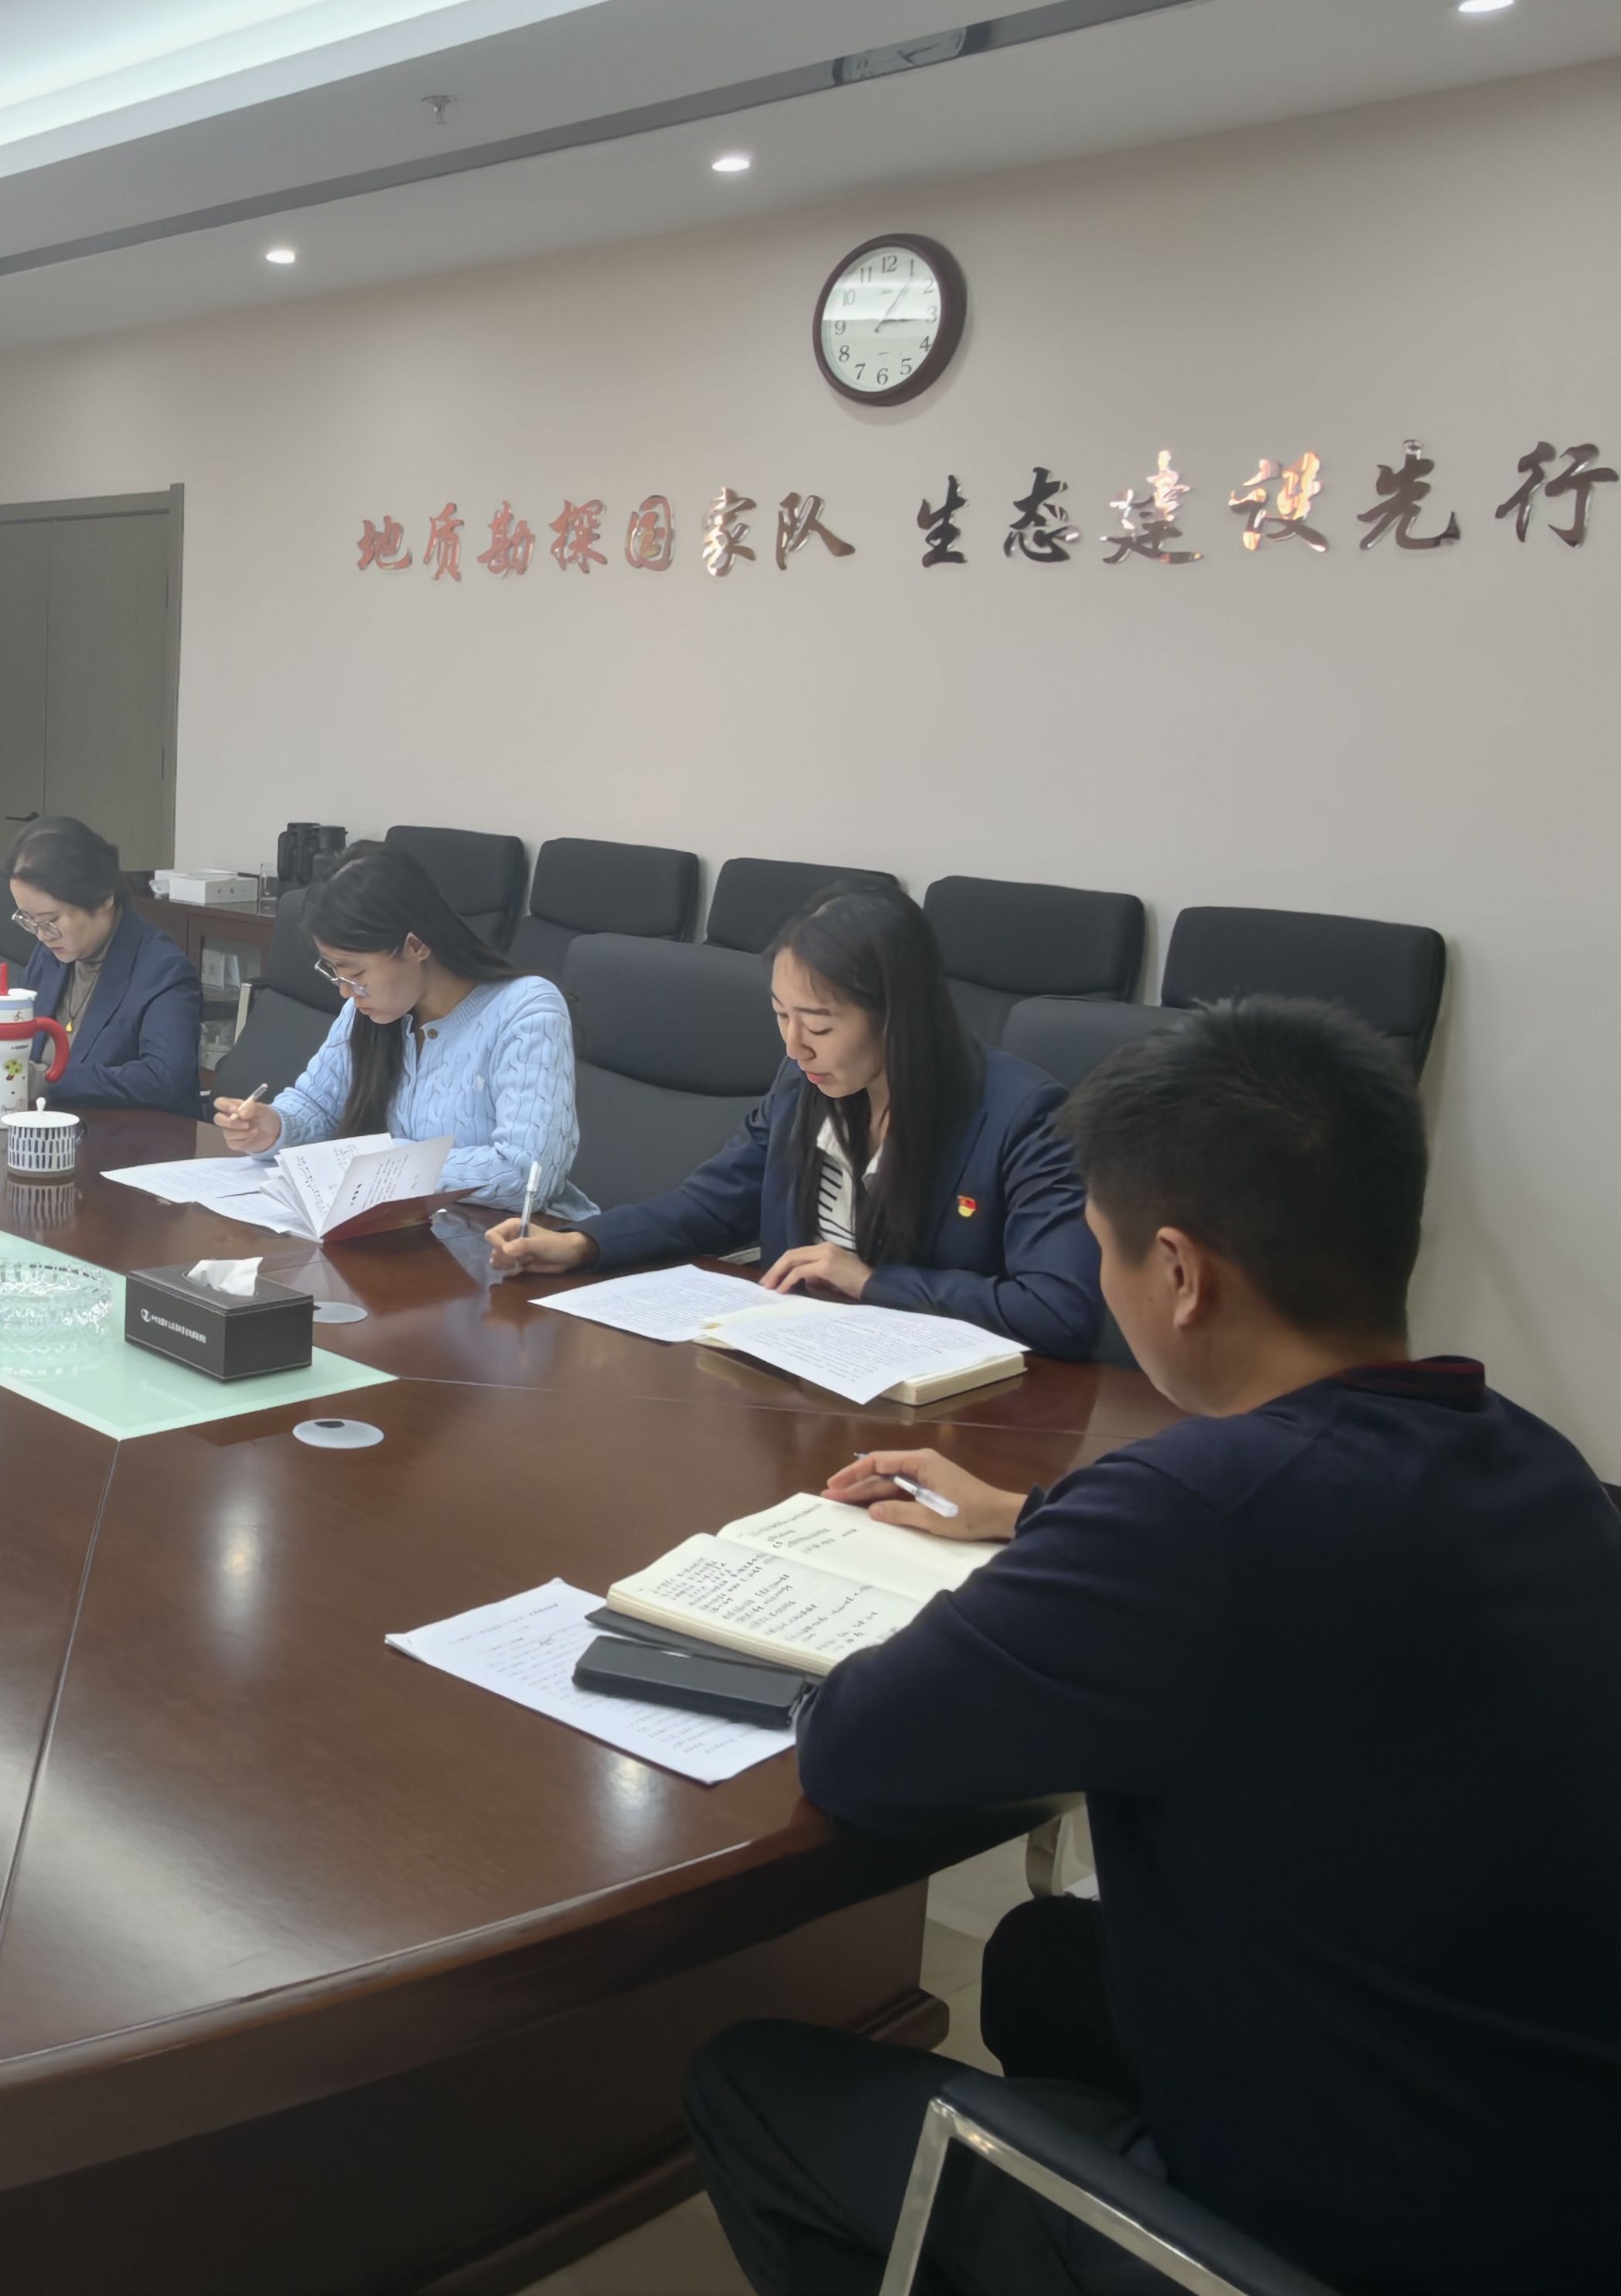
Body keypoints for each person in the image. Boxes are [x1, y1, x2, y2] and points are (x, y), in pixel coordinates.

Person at [682, 1000, 1621, 2296]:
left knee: (748, 2083)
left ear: (1180, 1274)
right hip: (1549, 2168)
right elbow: (1294, 1550)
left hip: (1344, 2240)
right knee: (1043, 1964)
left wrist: (1088, 1545)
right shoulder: (1542, 1464)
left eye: (1103, 1247)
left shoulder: (1190, 1520)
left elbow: (856, 1749)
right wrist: (1038, 1519)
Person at [486, 882, 1101, 1357]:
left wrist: (871, 1282)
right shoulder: (806, 1084)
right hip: (800, 1371)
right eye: (782, 1015)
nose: (795, 1046)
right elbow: (710, 1206)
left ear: (899, 1016)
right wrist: (583, 1243)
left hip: (942, 1408)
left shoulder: (1023, 1117)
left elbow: (1058, 1311)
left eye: (820, 1025)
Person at [210, 841, 583, 1213]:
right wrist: (275, 1127)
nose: (345, 990)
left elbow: (528, 1174)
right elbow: (317, 1104)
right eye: (334, 971)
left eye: (356, 972)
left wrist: (384, 1163)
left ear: (416, 946)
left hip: (510, 1238)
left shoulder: (526, 1010)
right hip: (404, 1226)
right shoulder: (370, 1011)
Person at [0, 817, 204, 1116]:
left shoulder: (162, 970)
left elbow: (163, 1079)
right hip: (46, 1128)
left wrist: (46, 1081)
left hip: (132, 1138)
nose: (41, 935)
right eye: (30, 920)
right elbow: (12, 1030)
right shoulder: (51, 953)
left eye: (51, 920)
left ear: (104, 898)